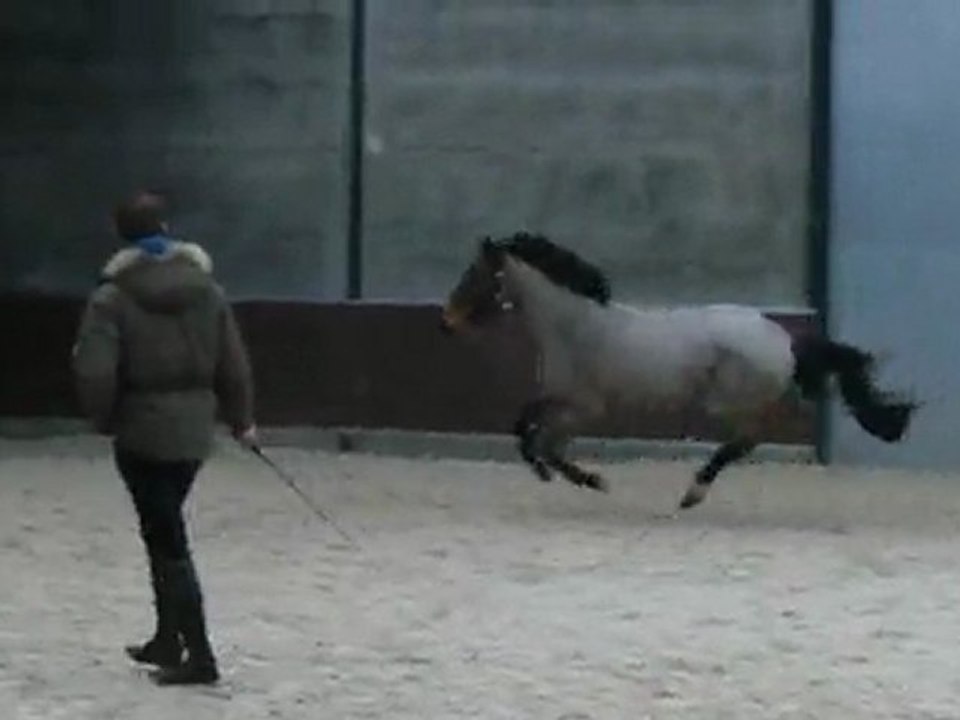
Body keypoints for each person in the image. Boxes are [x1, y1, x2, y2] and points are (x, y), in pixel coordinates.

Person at [71, 190, 258, 686]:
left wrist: (103, 417)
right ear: (168, 228)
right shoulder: (209, 290)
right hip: (194, 430)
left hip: (141, 427)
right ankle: (166, 636)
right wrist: (241, 419)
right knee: (164, 527)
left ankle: (199, 654)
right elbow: (233, 362)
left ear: (121, 235)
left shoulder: (111, 298)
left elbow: (95, 370)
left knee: (167, 539)